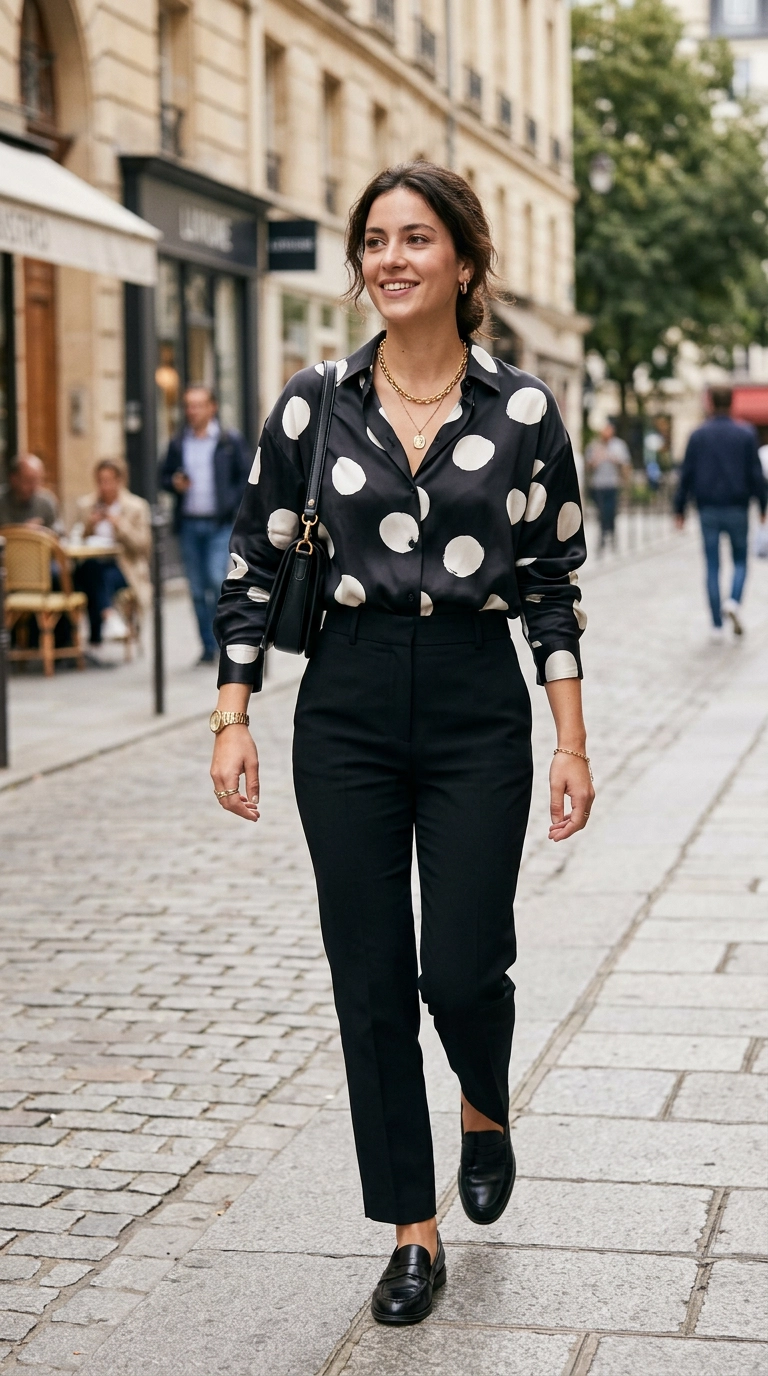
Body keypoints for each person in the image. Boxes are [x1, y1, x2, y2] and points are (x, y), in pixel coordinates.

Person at [210, 162, 594, 1326]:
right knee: (370, 973)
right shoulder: (315, 401)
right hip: (350, 702)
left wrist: (571, 740)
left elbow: (552, 585)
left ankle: (485, 1096)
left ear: (465, 265)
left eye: (416, 238)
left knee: (464, 963)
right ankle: (409, 1227)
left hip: (481, 701)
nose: (390, 258)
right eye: (373, 239)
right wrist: (233, 714)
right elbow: (252, 563)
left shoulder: (523, 413)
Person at [160, 384, 252, 664]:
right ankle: (207, 647)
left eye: (198, 405)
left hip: (218, 524)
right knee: (197, 589)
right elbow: (162, 477)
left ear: (212, 407)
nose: (192, 411)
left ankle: (222, 638)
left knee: (216, 580)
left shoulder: (228, 441)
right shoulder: (178, 443)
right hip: (189, 524)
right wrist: (174, 482)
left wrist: (230, 505)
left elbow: (246, 477)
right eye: (188, 405)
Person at [675, 387, 767, 638]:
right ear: (733, 402)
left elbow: (686, 474)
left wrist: (679, 508)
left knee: (713, 565)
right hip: (738, 507)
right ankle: (733, 601)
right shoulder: (746, 433)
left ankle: (716, 624)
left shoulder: (698, 435)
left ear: (711, 403)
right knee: (739, 561)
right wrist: (762, 506)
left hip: (708, 509)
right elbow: (756, 475)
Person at [74, 459, 151, 647]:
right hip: (92, 563)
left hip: (123, 567)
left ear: (119, 480)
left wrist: (119, 525)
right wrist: (90, 526)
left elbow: (143, 546)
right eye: (100, 480)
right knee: (89, 571)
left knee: (97, 574)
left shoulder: (136, 506)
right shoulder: (86, 505)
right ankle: (109, 616)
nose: (104, 486)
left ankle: (97, 634)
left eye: (108, 480)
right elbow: (76, 540)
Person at [585, 420, 631, 550]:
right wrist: (595, 461)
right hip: (598, 485)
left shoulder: (619, 446)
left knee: (611, 511)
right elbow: (588, 467)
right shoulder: (594, 446)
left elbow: (626, 465)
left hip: (613, 484)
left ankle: (611, 534)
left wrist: (615, 460)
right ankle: (603, 536)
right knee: (601, 512)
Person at [0, 453, 61, 530]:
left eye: (38, 480)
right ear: (14, 479)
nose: (35, 486)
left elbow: (59, 535)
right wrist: (23, 531)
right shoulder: (2, 502)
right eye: (29, 480)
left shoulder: (46, 502)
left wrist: (42, 530)